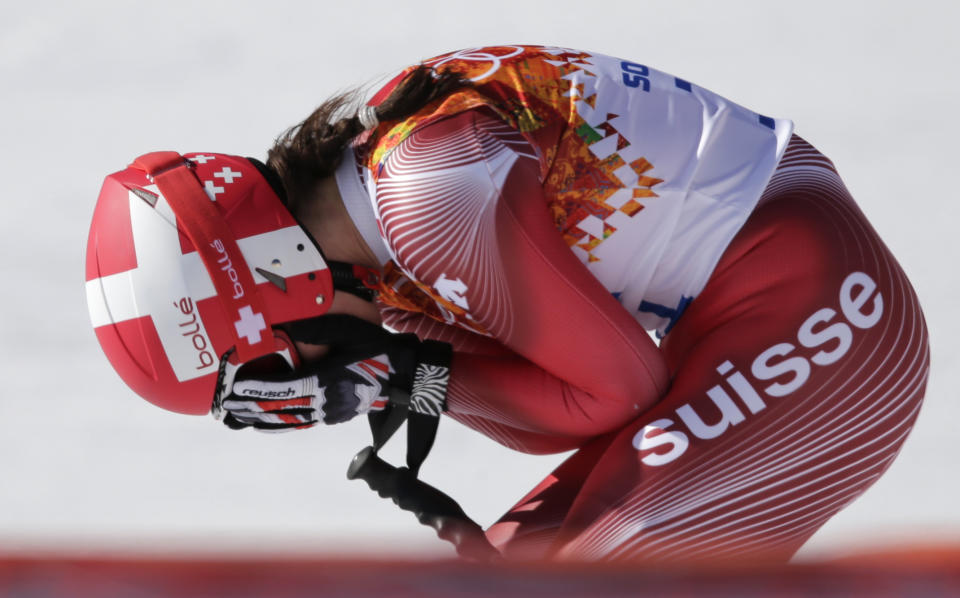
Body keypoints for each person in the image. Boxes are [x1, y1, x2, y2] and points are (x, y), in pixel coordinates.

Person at [85, 45, 929, 563]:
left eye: (272, 374)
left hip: (827, 324)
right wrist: (415, 373)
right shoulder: (385, 211)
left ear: (273, 278)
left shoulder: (427, 198)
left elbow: (615, 393)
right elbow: (578, 416)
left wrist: (406, 378)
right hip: (794, 311)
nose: (303, 396)